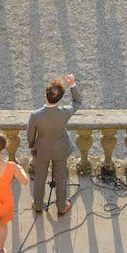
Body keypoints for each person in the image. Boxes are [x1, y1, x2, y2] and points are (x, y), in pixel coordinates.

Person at [27, 76, 79, 216]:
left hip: (42, 150)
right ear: (60, 98)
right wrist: (72, 84)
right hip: (60, 150)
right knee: (61, 178)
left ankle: (38, 204)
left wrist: (31, 145)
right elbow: (77, 102)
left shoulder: (35, 115)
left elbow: (30, 135)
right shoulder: (65, 112)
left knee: (40, 178)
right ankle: (61, 206)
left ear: (45, 94)